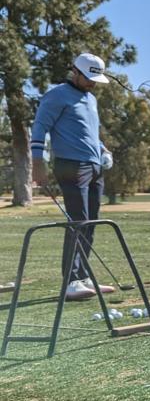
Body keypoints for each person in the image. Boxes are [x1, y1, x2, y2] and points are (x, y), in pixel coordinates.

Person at [30, 53, 115, 301]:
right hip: (70, 166)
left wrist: (103, 150)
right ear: (74, 71)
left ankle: (84, 276)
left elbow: (89, 133)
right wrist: (38, 164)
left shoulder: (90, 99)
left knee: (91, 223)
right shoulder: (56, 95)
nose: (92, 83)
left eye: (95, 79)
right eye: (88, 78)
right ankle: (71, 281)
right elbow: (39, 128)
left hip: (94, 166)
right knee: (78, 221)